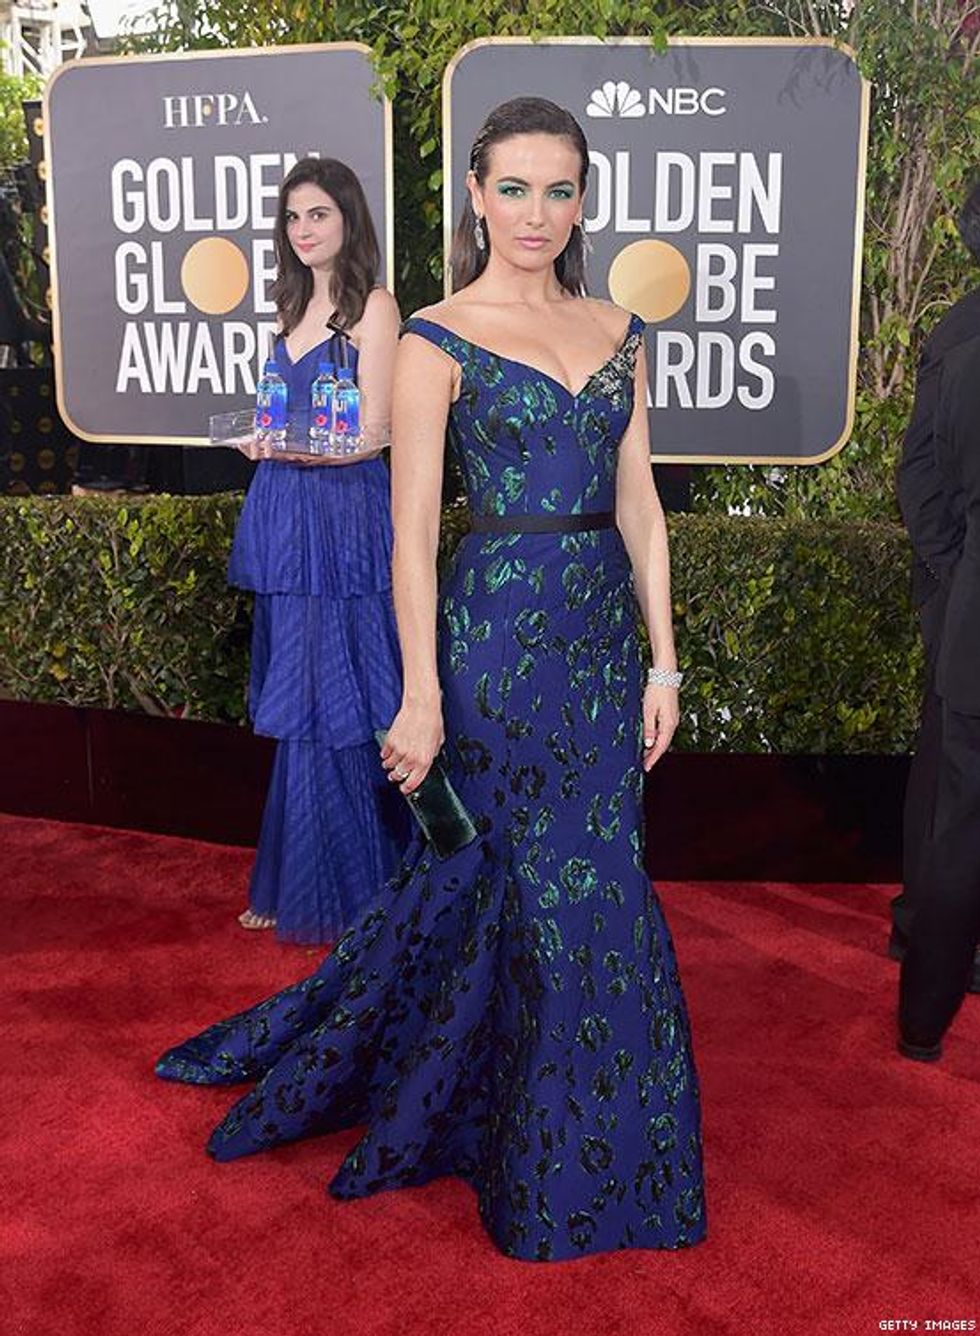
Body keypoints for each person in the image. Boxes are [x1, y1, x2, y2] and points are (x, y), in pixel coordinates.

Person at [157, 98, 706, 1262]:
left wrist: (663, 663)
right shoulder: (433, 335)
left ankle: (581, 1136)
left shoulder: (618, 326)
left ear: (580, 199)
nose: (536, 215)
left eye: (558, 191)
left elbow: (640, 506)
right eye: (513, 188)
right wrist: (417, 694)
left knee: (592, 885)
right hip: (492, 643)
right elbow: (409, 535)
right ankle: (530, 1154)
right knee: (518, 887)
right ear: (472, 190)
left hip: (601, 649)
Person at [229, 157, 410, 942]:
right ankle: (289, 873)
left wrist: (304, 451)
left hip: (344, 519)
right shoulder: (287, 305)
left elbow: (378, 433)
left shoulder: (376, 307)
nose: (305, 230)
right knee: (300, 701)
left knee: (354, 698)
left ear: (349, 220)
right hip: (286, 518)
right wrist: (264, 442)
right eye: (294, 218)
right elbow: (284, 412)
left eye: (319, 215)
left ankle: (372, 884)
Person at [894, 174, 980, 1060]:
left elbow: (925, 477)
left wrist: (960, 584)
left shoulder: (960, 339)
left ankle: (923, 1023)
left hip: (972, 617)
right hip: (969, 609)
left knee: (960, 823)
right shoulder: (959, 338)